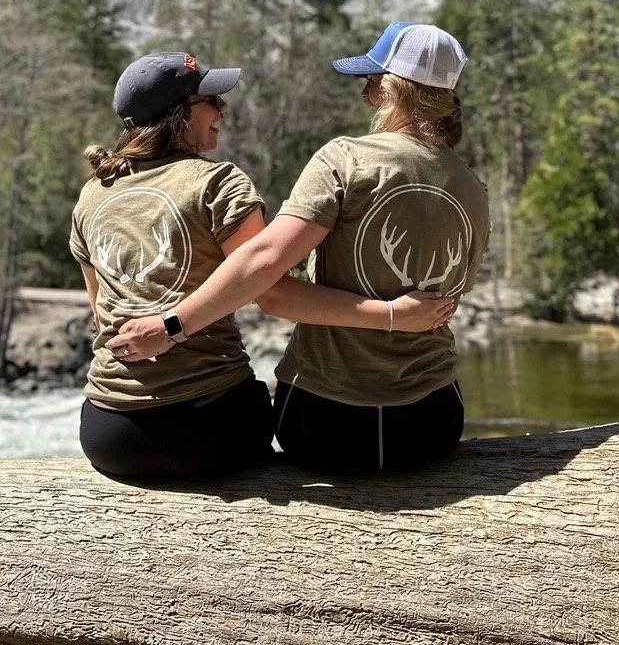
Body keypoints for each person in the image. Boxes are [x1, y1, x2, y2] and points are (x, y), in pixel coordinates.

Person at [109, 24, 490, 472]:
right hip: (433, 423)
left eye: (370, 82)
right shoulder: (473, 188)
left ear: (391, 90)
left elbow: (267, 275)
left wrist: (171, 326)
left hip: (325, 424)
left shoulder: (345, 159)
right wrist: (397, 314)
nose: (365, 95)